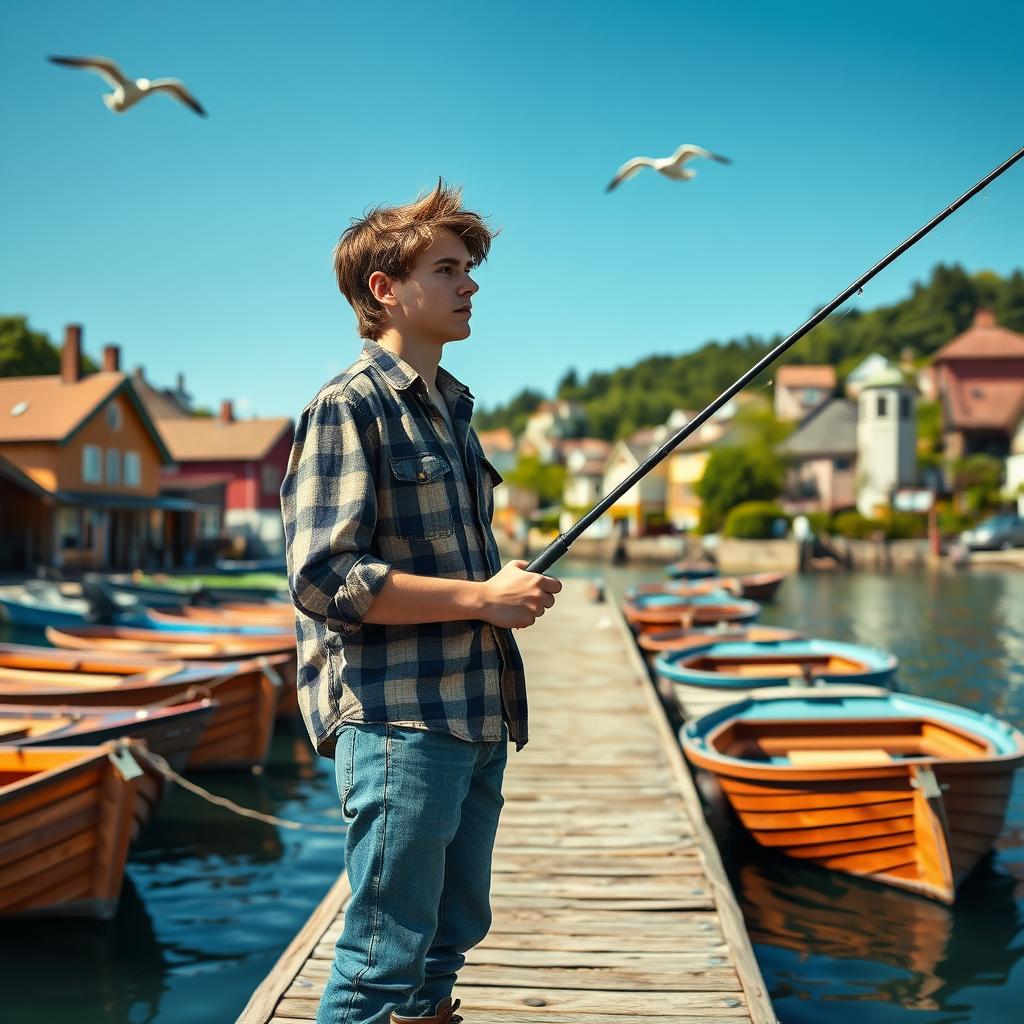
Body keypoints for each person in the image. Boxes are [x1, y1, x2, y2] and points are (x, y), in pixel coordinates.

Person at [281, 181, 561, 1024]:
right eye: (447, 268)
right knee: (380, 956)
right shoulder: (348, 407)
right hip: (402, 725)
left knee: (447, 938)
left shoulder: (454, 409)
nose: (469, 283)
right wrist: (482, 596)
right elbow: (323, 577)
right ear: (385, 290)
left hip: (475, 718)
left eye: (468, 267)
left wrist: (495, 586)